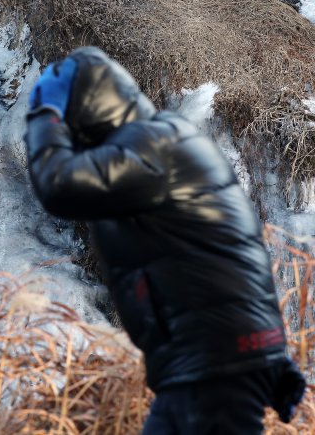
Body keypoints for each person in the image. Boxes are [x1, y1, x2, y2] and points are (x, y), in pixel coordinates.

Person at [25, 46, 306, 434]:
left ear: (85, 111)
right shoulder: (161, 144)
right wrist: (269, 353)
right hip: (213, 359)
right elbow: (237, 250)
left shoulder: (153, 144)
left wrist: (44, 115)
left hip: (212, 361)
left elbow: (58, 185)